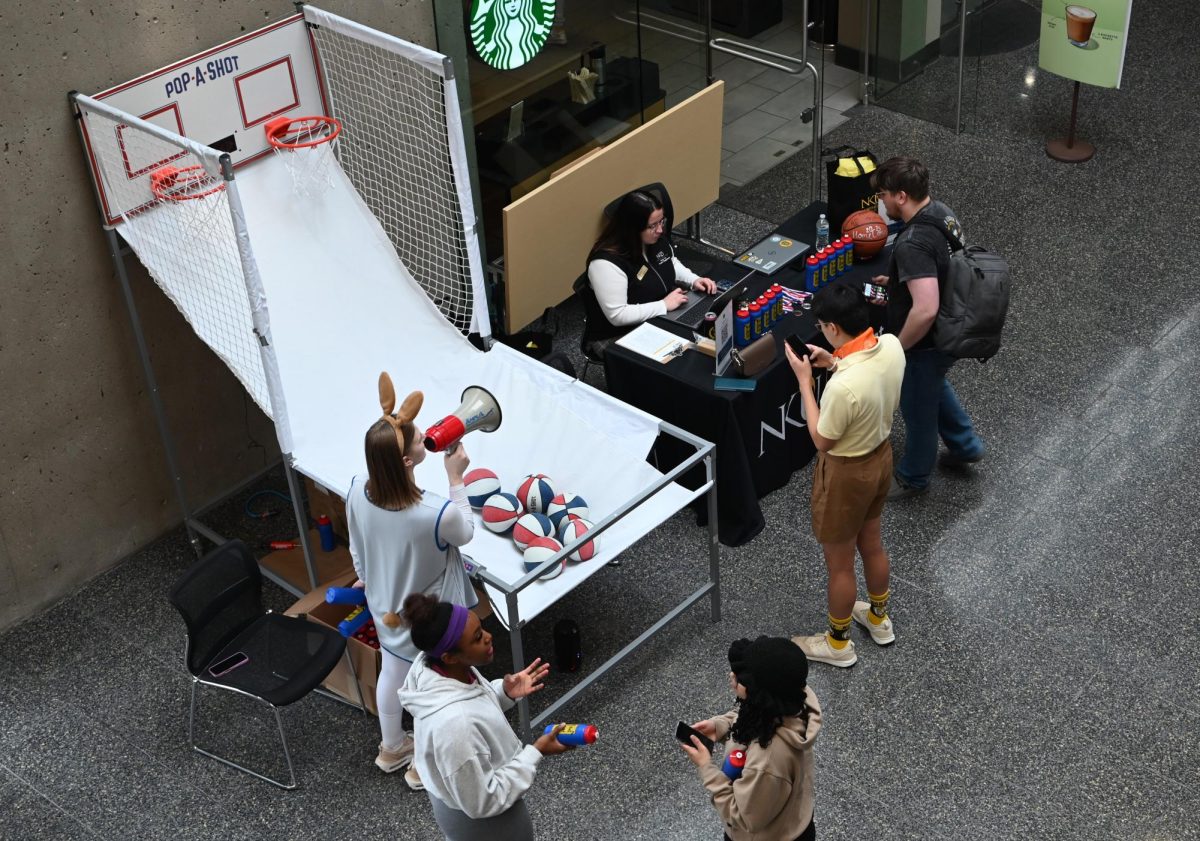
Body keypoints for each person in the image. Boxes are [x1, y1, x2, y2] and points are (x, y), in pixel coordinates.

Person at [345, 373, 477, 789]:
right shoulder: (434, 514)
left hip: (384, 608)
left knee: (394, 675)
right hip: (428, 617)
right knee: (434, 688)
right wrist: (456, 479)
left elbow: (355, 544)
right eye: (420, 440)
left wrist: (367, 581)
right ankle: (422, 764)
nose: (426, 439)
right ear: (406, 462)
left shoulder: (355, 490)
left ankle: (391, 747)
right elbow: (465, 532)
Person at [784, 283, 905, 667]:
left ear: (833, 327)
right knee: (872, 543)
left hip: (847, 474)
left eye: (822, 326)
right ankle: (878, 618)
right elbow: (864, 370)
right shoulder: (892, 346)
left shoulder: (843, 387)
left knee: (839, 563)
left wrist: (805, 381)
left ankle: (837, 645)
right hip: (881, 457)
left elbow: (822, 439)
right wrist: (834, 360)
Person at [397, 593, 570, 841]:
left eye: (481, 628)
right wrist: (535, 752)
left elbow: (471, 703)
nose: (489, 637)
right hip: (483, 823)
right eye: (478, 638)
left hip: (461, 800)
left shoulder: (436, 668)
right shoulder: (455, 726)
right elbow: (483, 801)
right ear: (450, 656)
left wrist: (504, 692)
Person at [870, 156, 985, 500]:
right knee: (932, 386)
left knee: (917, 408)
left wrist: (896, 347)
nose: (882, 202)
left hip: (926, 341)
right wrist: (897, 283)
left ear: (901, 196)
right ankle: (965, 445)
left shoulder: (913, 242)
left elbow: (924, 309)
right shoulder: (941, 212)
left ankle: (913, 476)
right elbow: (942, 267)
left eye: (885, 195)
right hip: (954, 325)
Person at [680, 636, 821, 841]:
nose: (732, 676)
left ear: (759, 694)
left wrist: (706, 768)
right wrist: (722, 725)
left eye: (740, 678)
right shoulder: (789, 699)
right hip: (794, 820)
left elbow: (743, 816)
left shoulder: (767, 761)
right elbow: (751, 713)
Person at [586, 189, 718, 330]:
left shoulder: (653, 240)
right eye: (652, 226)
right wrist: (663, 305)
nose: (660, 230)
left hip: (660, 311)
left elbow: (669, 262)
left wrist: (693, 280)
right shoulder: (605, 264)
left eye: (661, 222)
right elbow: (618, 315)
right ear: (632, 229)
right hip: (622, 333)